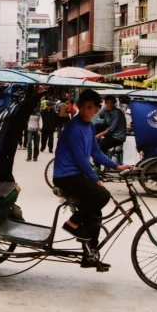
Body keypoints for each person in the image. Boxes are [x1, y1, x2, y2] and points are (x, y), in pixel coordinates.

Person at [53, 89, 131, 269]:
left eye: (91, 107)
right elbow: (81, 159)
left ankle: (89, 256)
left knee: (96, 213)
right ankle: (72, 223)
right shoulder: (74, 128)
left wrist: (117, 166)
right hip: (65, 176)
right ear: (78, 107)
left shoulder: (89, 126)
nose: (87, 111)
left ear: (97, 109)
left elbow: (95, 152)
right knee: (102, 196)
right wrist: (95, 179)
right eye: (84, 107)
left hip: (75, 175)